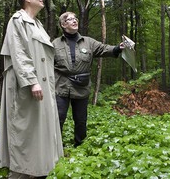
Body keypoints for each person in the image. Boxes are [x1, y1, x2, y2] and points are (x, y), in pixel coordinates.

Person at [0, 0, 63, 179]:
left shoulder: (37, 24)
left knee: (39, 132)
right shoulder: (18, 20)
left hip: (42, 87)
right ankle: (21, 174)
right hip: (26, 87)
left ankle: (38, 171)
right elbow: (19, 53)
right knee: (25, 132)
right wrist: (32, 81)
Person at [52, 11, 124, 147]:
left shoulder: (88, 42)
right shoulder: (55, 44)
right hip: (61, 86)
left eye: (75, 18)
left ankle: (79, 146)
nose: (74, 21)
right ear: (63, 24)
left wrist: (117, 48)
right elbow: (47, 64)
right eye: (70, 19)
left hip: (81, 87)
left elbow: (104, 49)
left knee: (80, 120)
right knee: (58, 118)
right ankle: (55, 148)